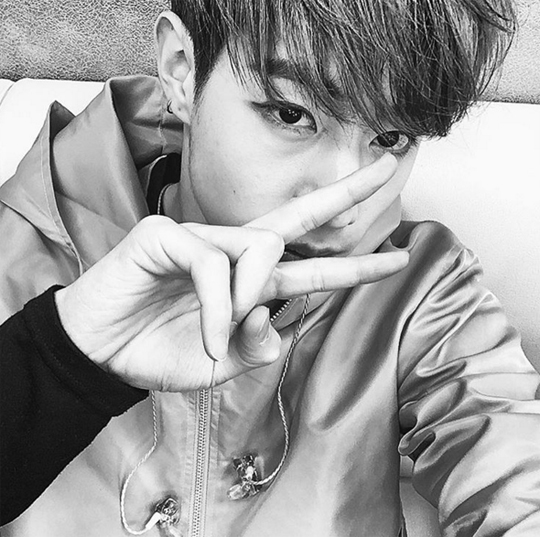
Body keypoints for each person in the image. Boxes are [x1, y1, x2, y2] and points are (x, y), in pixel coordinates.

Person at [1, 0, 539, 535]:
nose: (342, 209)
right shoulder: (14, 249)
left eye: (391, 139)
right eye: (291, 114)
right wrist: (54, 362)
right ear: (181, 69)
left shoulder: (419, 286)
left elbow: (511, 467)